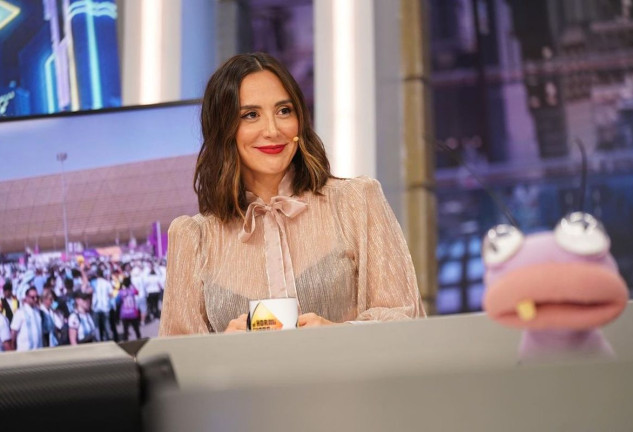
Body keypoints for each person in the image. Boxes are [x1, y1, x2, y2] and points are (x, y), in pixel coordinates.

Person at [159, 52, 424, 336]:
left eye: (284, 111)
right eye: (251, 115)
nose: (272, 130)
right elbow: (176, 360)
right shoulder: (193, 236)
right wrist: (223, 348)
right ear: (224, 130)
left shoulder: (357, 201)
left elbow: (405, 318)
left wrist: (339, 334)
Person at [10, 287, 43, 351]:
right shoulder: (20, 312)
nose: (35, 299)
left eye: (37, 297)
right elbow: (13, 332)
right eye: (33, 297)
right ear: (27, 297)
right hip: (24, 350)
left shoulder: (38, 312)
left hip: (38, 350)